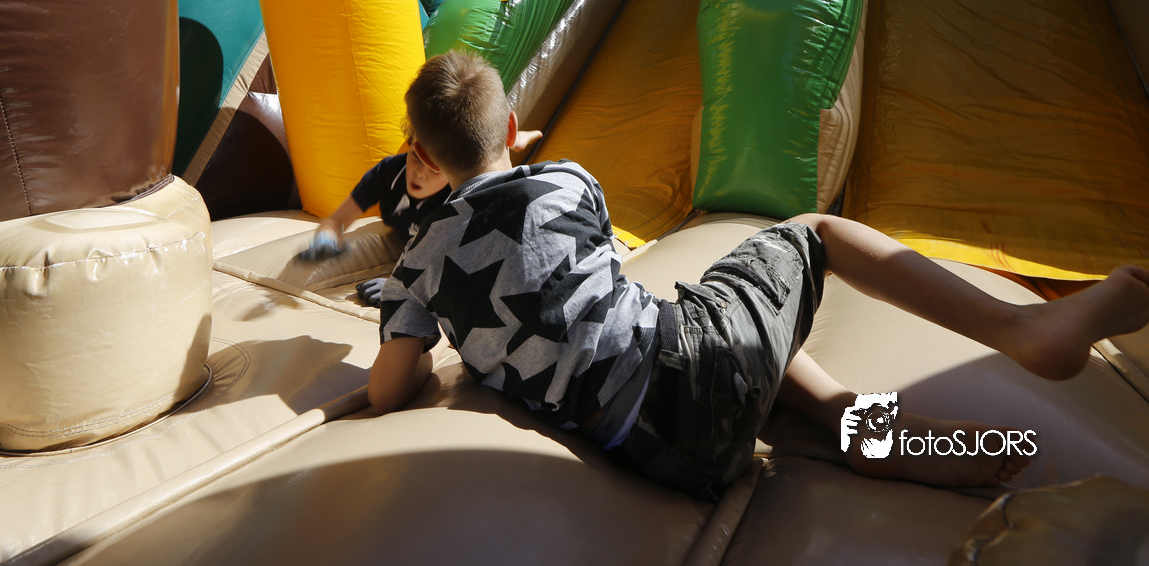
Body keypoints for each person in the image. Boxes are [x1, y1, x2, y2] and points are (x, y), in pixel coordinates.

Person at [368, 50, 1149, 499]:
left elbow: (386, 389)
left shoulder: (417, 264)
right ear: (512, 128)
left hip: (666, 456)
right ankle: (1022, 327)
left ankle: (854, 424)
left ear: (421, 156)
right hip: (694, 370)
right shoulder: (566, 180)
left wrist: (429, 341)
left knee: (712, 330)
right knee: (810, 233)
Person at [308, 124, 541, 305]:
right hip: (408, 231)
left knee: (495, 170)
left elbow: (457, 263)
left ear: (452, 170)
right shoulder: (389, 172)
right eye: (416, 157)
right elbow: (338, 219)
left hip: (478, 200)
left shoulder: (459, 196)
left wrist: (398, 284)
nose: (420, 173)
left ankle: (510, 140)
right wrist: (325, 238)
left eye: (434, 167)